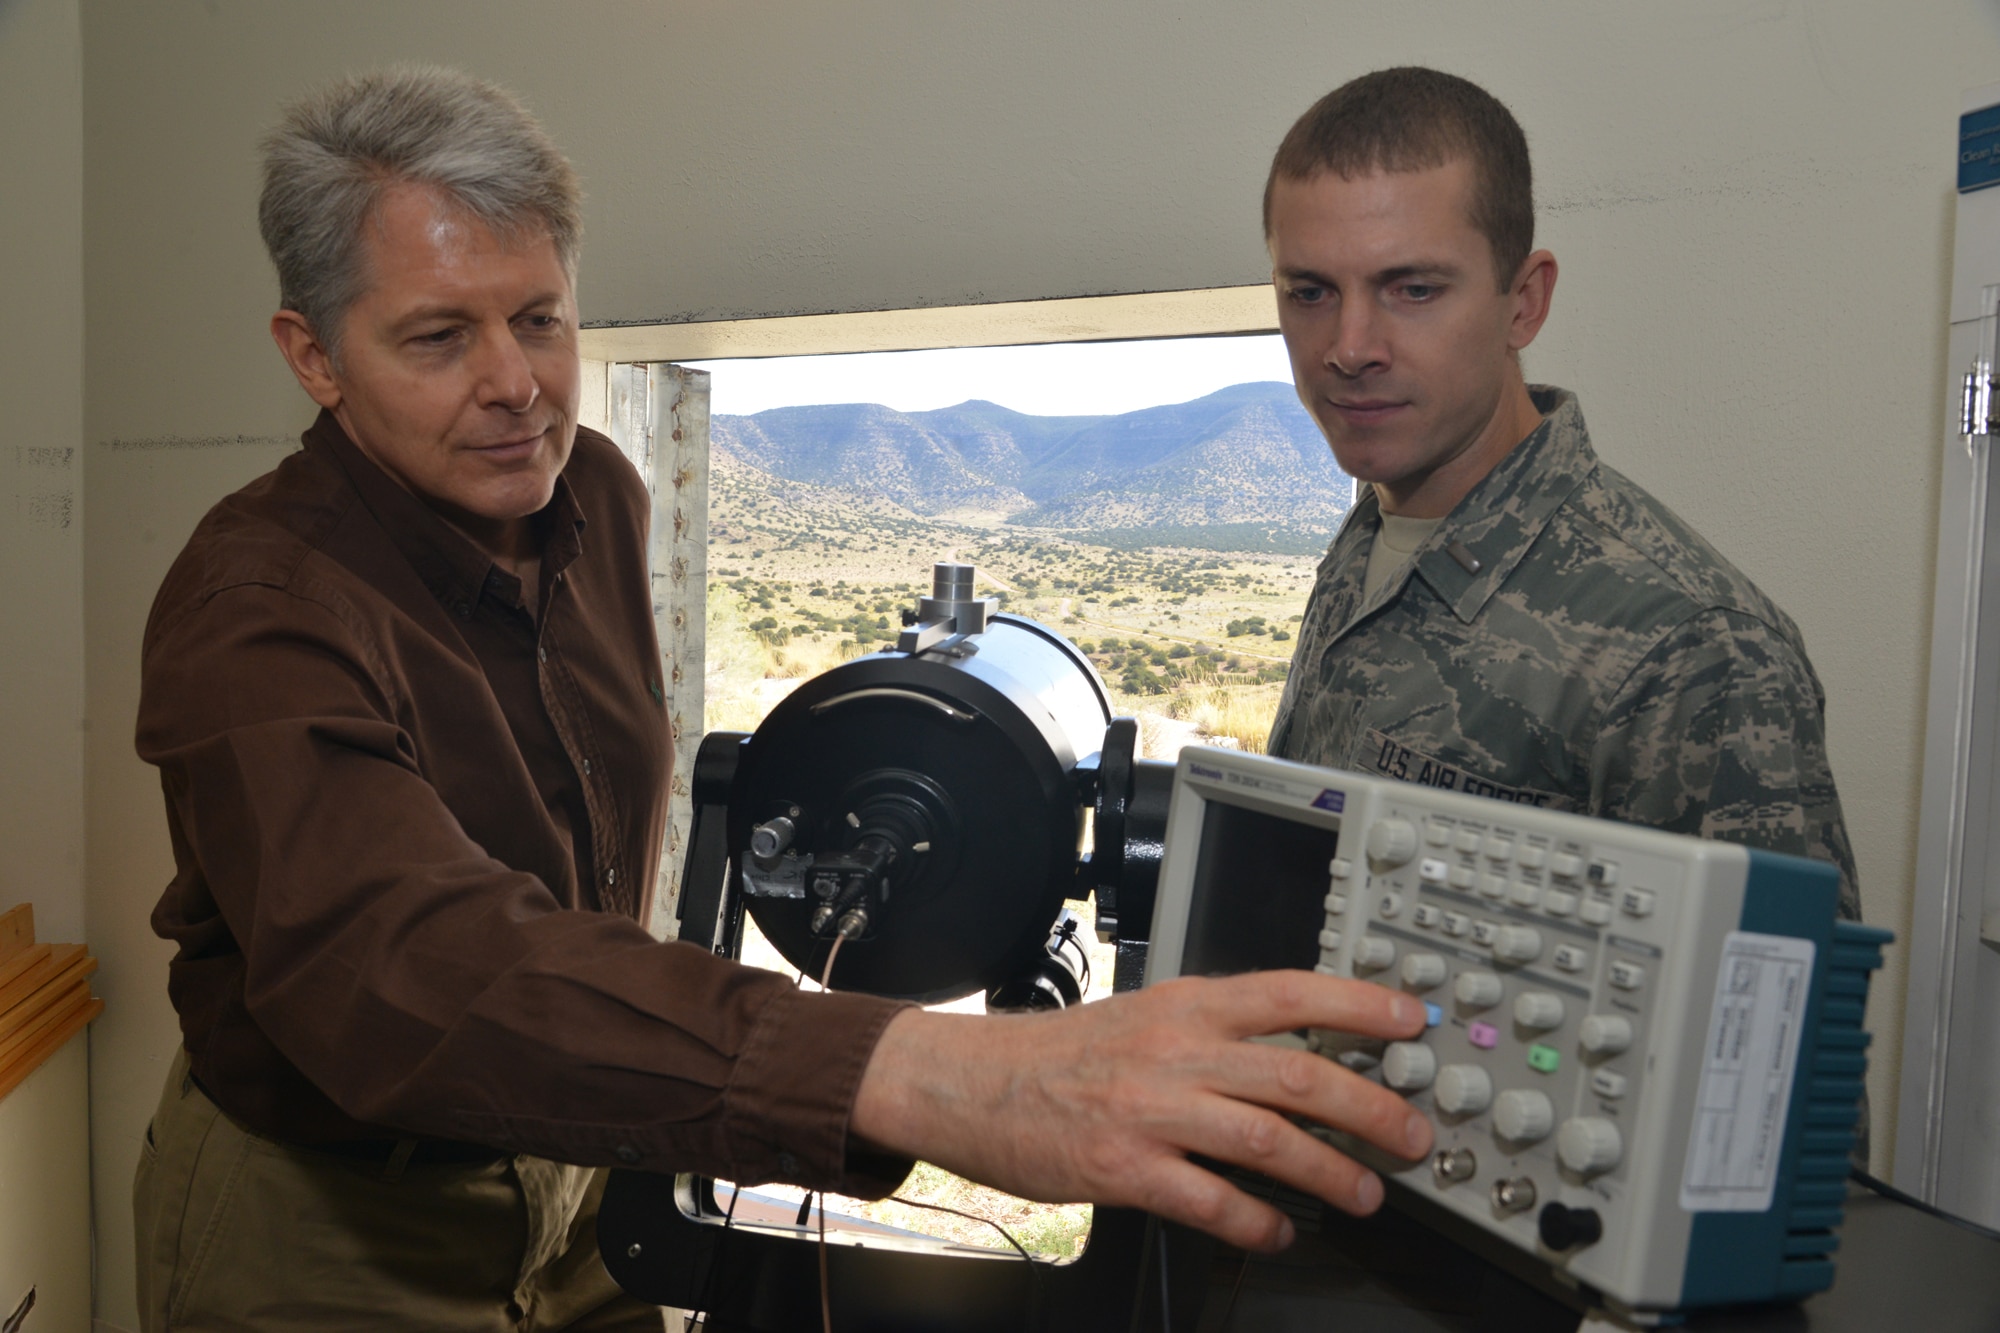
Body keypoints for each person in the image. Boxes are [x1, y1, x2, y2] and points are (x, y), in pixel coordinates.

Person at [132, 66, 1431, 1331]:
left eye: (539, 317)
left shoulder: (591, 490)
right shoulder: (254, 605)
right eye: (437, 336)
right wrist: (921, 1072)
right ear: (314, 356)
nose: (516, 383)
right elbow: (398, 962)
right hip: (336, 1213)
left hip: (581, 1150)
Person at [1263, 68, 1860, 925]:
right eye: (1310, 292)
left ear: (1524, 302)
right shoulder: (1373, 540)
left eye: (1414, 289)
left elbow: (1766, 1039)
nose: (1349, 347)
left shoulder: (1691, 648)